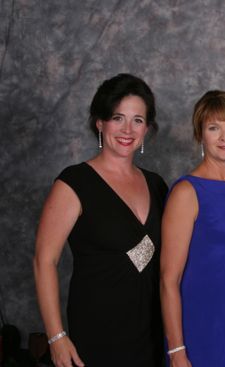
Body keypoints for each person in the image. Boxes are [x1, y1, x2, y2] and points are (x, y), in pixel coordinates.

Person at [33, 73, 167, 367]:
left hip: (152, 336)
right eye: (117, 118)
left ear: (147, 129)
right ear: (100, 122)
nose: (127, 129)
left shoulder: (158, 185)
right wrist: (56, 337)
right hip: (96, 336)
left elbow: (176, 259)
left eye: (138, 120)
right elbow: (44, 261)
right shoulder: (74, 183)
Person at [160, 90, 225, 367]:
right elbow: (169, 280)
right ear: (200, 135)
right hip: (201, 330)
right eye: (213, 128)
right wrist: (177, 352)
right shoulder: (187, 191)